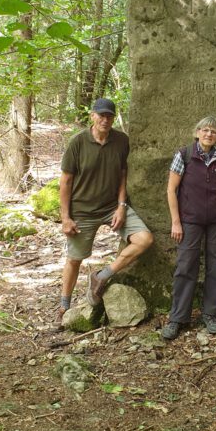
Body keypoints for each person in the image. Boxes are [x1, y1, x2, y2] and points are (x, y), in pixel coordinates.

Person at [57, 98, 154, 327]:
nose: (105, 119)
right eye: (101, 115)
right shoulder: (78, 142)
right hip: (83, 210)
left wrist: (121, 206)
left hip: (112, 207)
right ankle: (64, 305)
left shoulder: (121, 140)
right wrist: (66, 217)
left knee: (145, 239)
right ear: (92, 116)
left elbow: (123, 175)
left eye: (109, 116)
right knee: (74, 259)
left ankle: (101, 276)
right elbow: (66, 182)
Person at [161, 117, 216, 340]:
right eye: (205, 130)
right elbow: (172, 189)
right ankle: (177, 318)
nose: (209, 134)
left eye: (214, 132)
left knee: (215, 265)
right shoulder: (185, 155)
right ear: (197, 132)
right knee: (185, 266)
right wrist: (176, 221)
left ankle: (210, 314)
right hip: (189, 220)